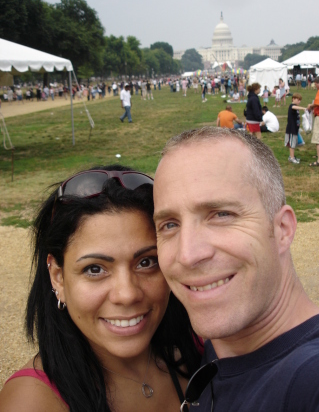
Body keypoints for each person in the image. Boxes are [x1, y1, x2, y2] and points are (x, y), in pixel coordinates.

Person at [153, 127, 319, 412]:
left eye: (221, 214)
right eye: (170, 224)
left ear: (282, 229)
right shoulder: (212, 350)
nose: (187, 254)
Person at [0, 165, 201, 412]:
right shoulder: (32, 402)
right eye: (95, 269)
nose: (127, 294)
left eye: (146, 262)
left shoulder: (203, 350)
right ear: (57, 277)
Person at [284, 93, 306, 164]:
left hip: (295, 129)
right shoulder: (292, 106)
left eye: (300, 100)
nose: (299, 101)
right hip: (291, 129)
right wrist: (303, 108)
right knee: (291, 144)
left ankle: (292, 156)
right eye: (298, 100)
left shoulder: (296, 108)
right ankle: (291, 157)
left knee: (293, 144)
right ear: (293, 99)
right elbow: (293, 107)